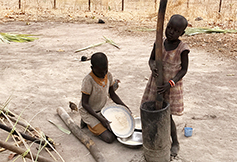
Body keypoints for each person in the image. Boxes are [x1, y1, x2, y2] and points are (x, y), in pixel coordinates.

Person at [141, 14, 190, 157]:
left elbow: (184, 70)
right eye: (169, 27)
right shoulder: (158, 43)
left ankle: (175, 142)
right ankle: (155, 138)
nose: (170, 31)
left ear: (182, 33)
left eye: (175, 30)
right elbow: (151, 60)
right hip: (156, 84)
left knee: (167, 116)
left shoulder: (182, 49)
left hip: (171, 86)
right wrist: (152, 67)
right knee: (151, 110)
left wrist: (171, 83)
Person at [79, 52, 130, 143]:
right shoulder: (88, 80)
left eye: (105, 70)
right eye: (100, 71)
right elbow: (84, 104)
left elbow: (113, 94)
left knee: (119, 130)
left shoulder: (108, 75)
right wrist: (101, 120)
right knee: (110, 138)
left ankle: (95, 122)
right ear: (92, 68)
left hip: (102, 108)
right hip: (89, 111)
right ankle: (87, 121)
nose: (103, 74)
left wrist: (124, 106)